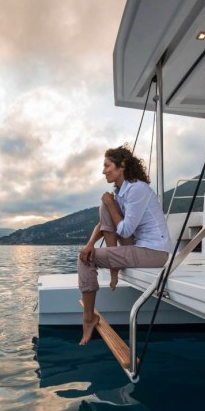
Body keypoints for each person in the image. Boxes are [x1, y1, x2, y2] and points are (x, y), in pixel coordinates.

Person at [78, 145, 172, 345]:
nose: (103, 171)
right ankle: (114, 269)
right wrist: (89, 244)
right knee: (103, 205)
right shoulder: (120, 191)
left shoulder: (137, 188)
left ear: (121, 166)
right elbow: (105, 223)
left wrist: (111, 205)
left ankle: (88, 319)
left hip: (154, 251)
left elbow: (126, 230)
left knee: (86, 261)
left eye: (107, 166)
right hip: (138, 245)